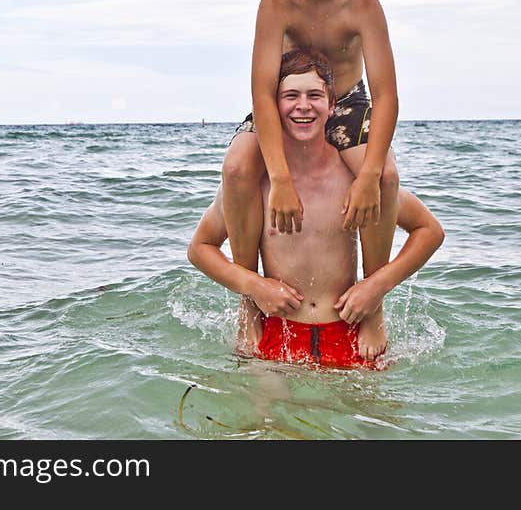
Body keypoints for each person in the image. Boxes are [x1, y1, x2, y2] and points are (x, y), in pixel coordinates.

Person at [222, 0, 402, 360]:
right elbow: (263, 91)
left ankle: (373, 303)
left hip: (345, 102)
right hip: (289, 102)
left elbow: (386, 95)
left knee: (384, 177)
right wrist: (279, 178)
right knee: (238, 169)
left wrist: (366, 176)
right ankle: (250, 301)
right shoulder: (277, 0)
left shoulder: (362, 3)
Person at [189, 50, 443, 369]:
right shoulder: (257, 187)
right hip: (274, 336)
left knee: (377, 419)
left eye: (314, 95)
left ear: (332, 105)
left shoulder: (353, 182)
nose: (303, 106)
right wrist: (254, 286)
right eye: (290, 95)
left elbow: (429, 231)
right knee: (261, 418)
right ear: (272, 108)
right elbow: (200, 248)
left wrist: (376, 287)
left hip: (351, 338)